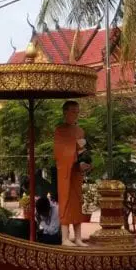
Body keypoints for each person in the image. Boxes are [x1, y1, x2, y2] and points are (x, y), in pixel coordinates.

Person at [53, 100, 91, 246]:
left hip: (76, 172)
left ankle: (78, 237)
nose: (76, 114)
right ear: (65, 112)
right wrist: (75, 160)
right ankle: (65, 238)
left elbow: (83, 149)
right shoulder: (59, 130)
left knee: (77, 202)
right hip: (65, 171)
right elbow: (59, 152)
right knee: (66, 201)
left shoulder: (80, 131)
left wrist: (86, 161)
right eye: (73, 111)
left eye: (77, 111)